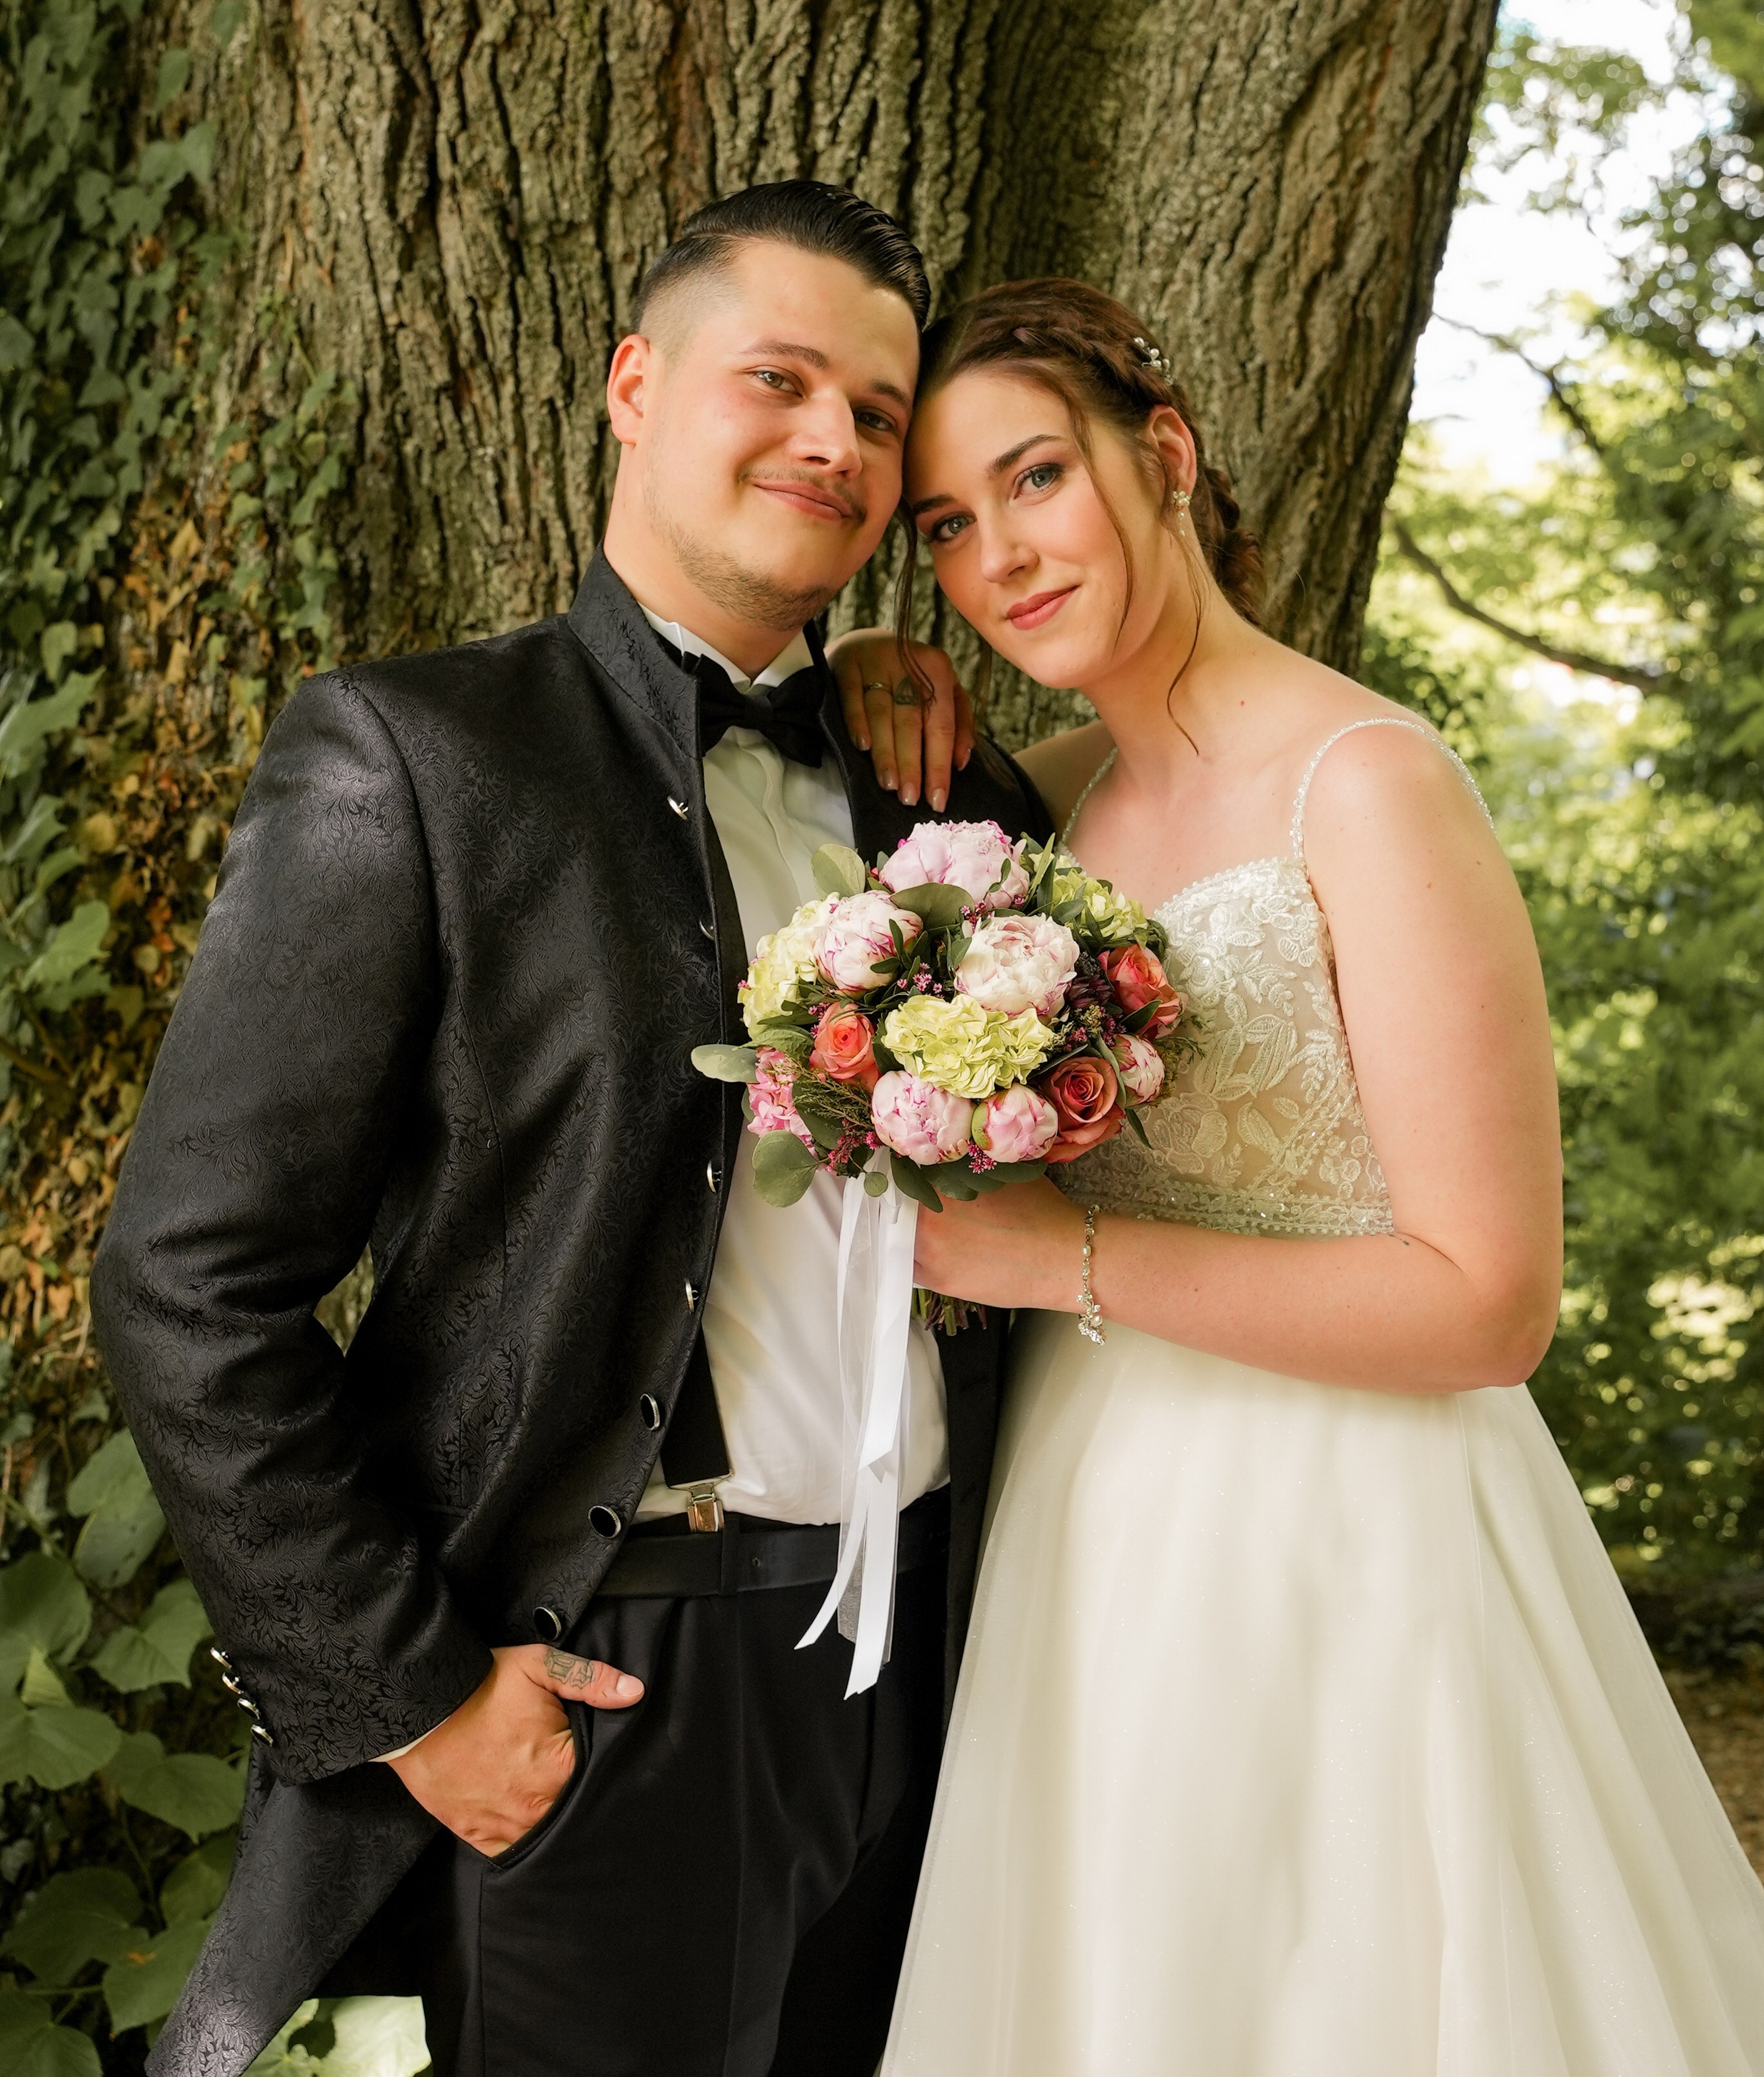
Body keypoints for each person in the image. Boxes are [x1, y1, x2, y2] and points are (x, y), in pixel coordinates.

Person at [91, 181, 1050, 2077]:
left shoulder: (950, 788)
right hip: (622, 1693)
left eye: (874, 409)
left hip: (950, 1665)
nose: (832, 440)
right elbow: (188, 1281)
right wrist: (410, 1691)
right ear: (634, 383)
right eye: (777, 379)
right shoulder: (413, 755)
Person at [828, 277, 1764, 2075]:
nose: (999, 558)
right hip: (1084, 1528)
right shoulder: (1026, 812)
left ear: (1167, 457)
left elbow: (1486, 1298)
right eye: (949, 530)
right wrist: (867, 685)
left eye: (1037, 479)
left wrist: (1041, 1262)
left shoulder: (1364, 785)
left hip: (1351, 1532)